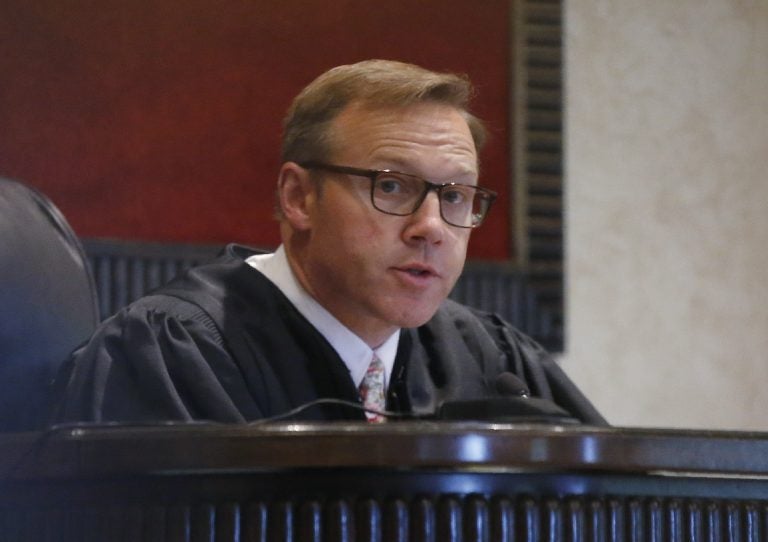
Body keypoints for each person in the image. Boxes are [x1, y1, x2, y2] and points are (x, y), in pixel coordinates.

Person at [53, 59, 605, 425]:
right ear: (299, 198)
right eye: (391, 186)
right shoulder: (176, 353)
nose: (432, 227)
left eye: (456, 196)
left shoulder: (488, 357)